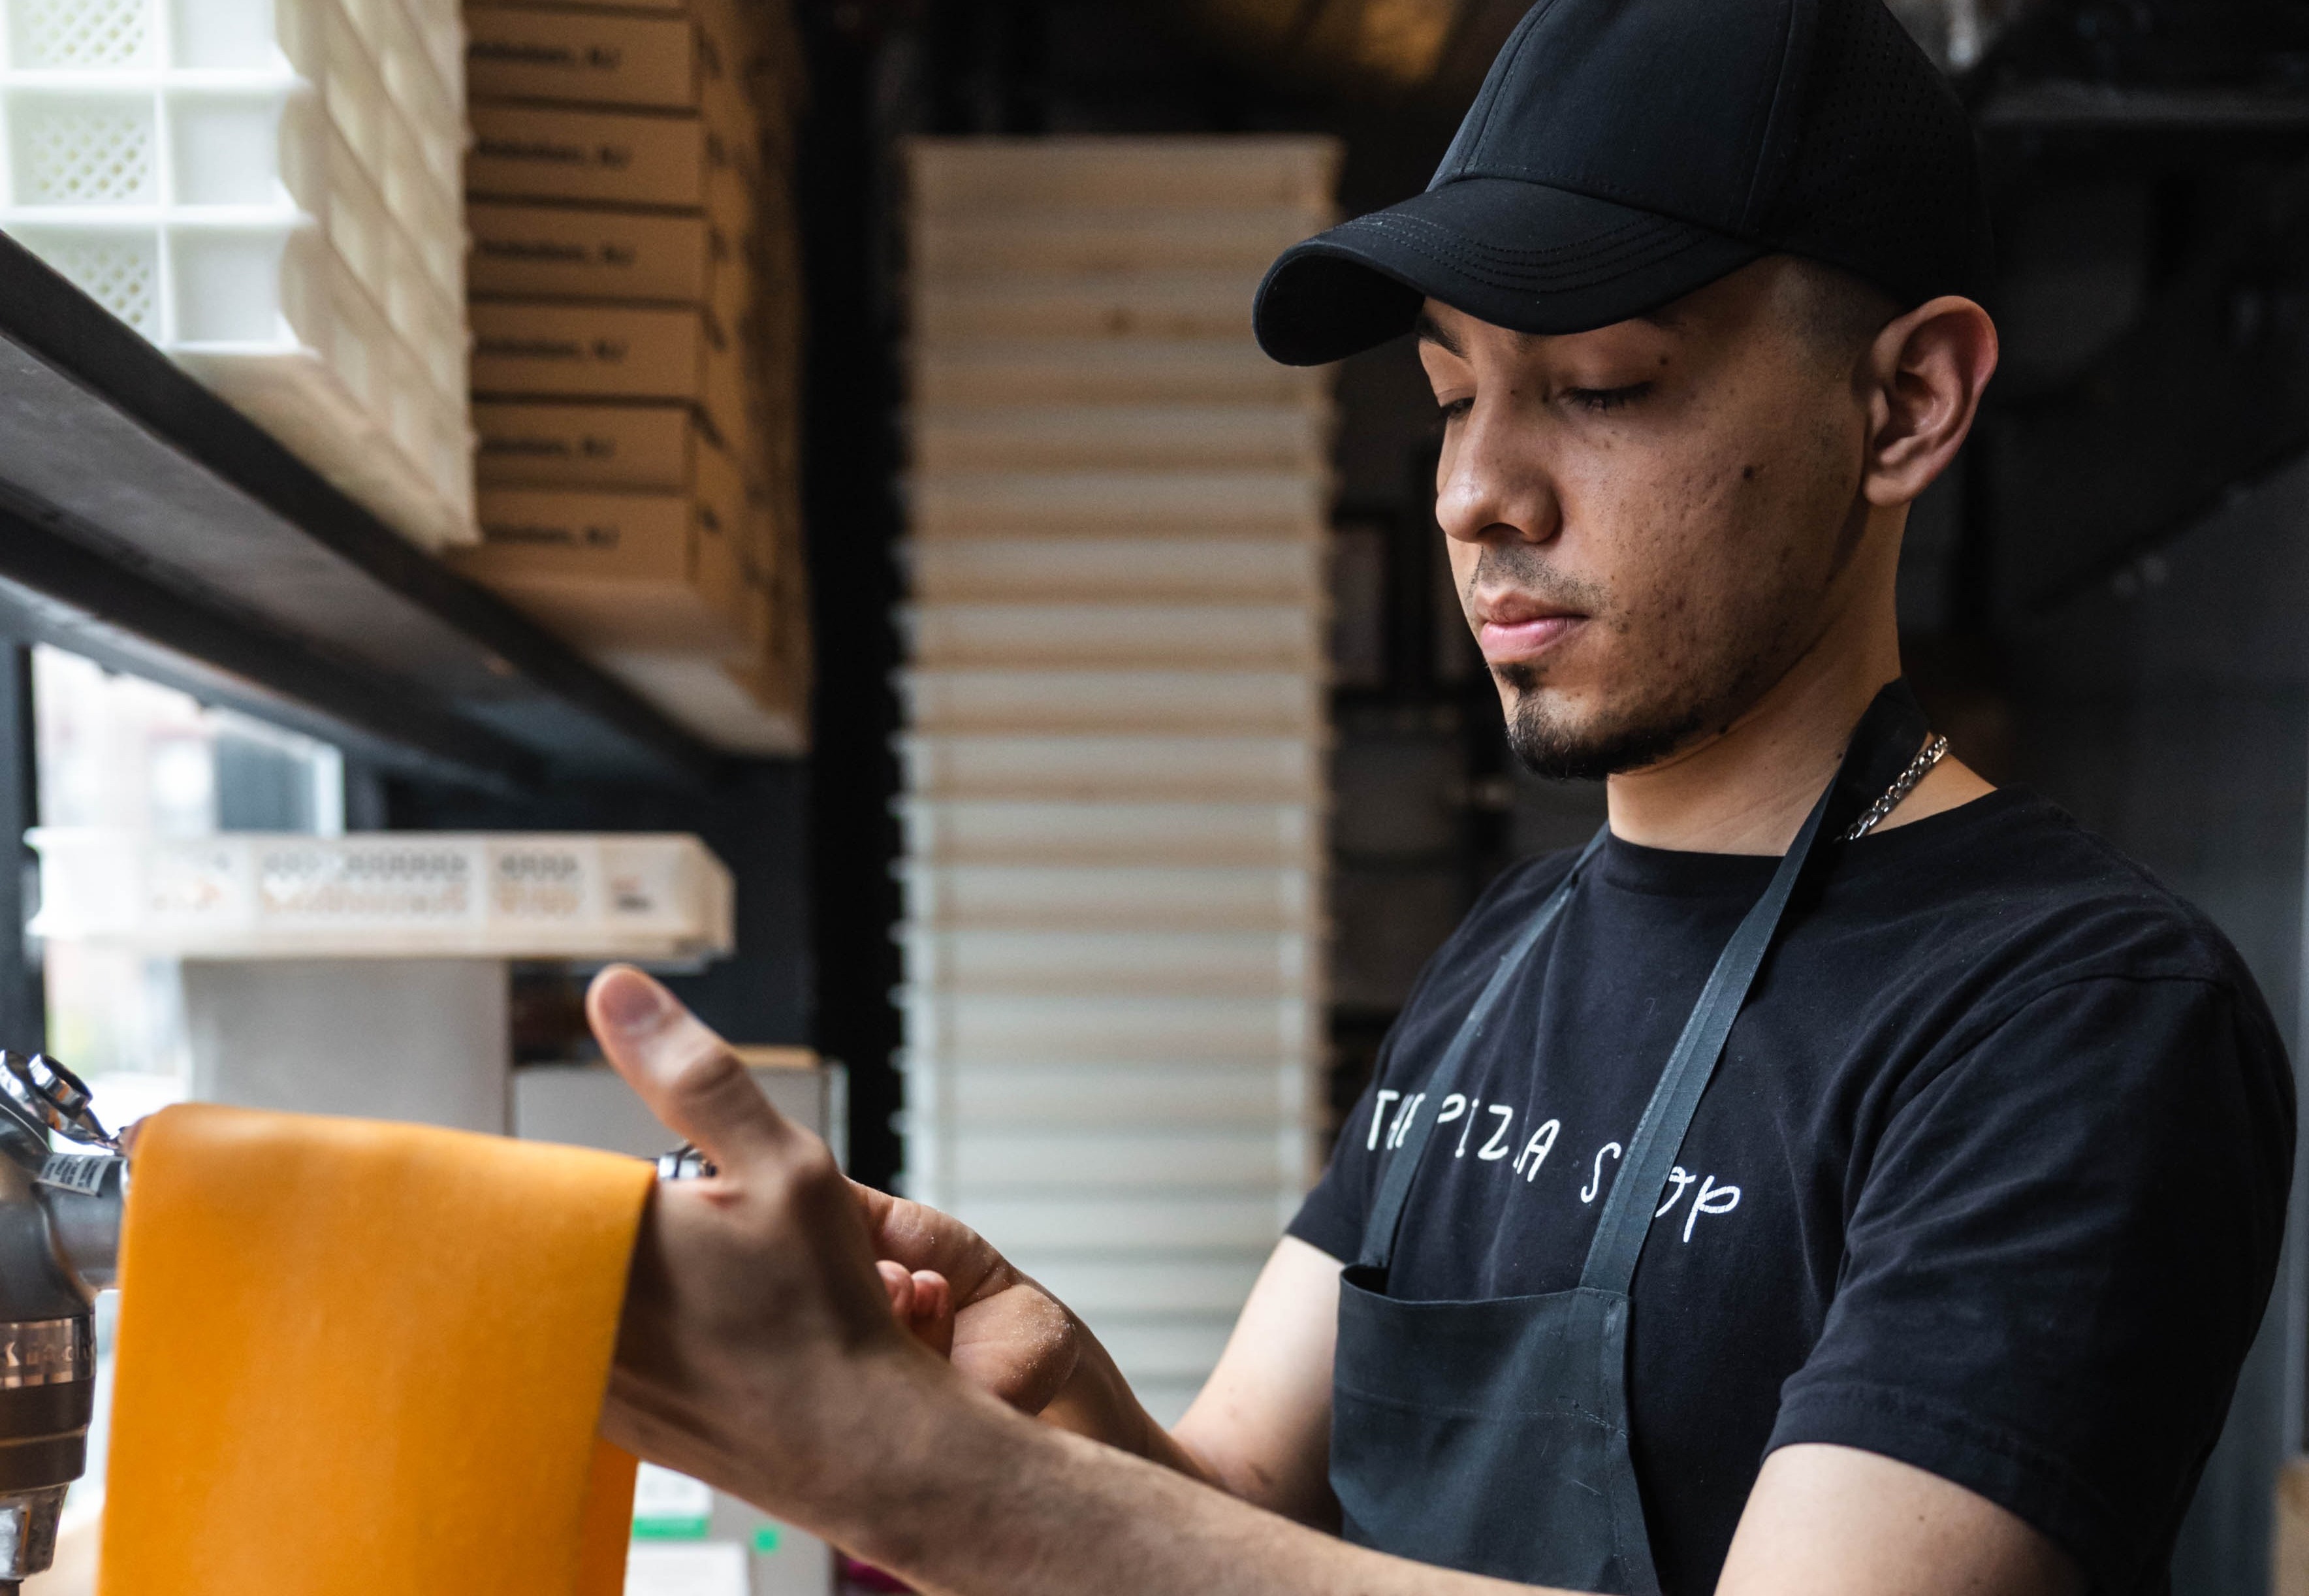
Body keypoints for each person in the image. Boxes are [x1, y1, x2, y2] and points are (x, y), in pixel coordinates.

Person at [584, 1, 2295, 1592]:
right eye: (1452, 391)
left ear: (1906, 400)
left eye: (1602, 384)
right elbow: (1247, 1494)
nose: (1476, 490)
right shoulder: (1513, 949)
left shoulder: (2074, 1021)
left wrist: (926, 1486)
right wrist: (1034, 1396)